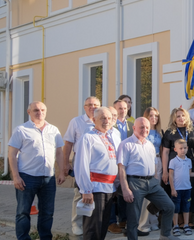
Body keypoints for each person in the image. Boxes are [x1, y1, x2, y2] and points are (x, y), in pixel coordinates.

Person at [8, 102, 65, 240]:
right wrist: (16, 177)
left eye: (42, 110)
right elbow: (12, 154)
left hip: (48, 178)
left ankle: (45, 237)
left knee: (47, 212)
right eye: (36, 110)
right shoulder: (21, 130)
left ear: (46, 111)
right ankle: (23, 238)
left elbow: (59, 153)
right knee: (23, 212)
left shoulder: (53, 129)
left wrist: (62, 172)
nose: (40, 112)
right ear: (29, 112)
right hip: (27, 177)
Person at [119, 118, 177, 240]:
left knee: (169, 206)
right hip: (134, 182)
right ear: (134, 128)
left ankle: (165, 235)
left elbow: (154, 164)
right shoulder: (126, 144)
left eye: (147, 127)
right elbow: (121, 168)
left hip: (151, 182)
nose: (144, 130)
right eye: (141, 127)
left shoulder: (149, 145)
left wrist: (156, 180)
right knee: (134, 216)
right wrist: (125, 189)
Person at [75, 107, 121, 240]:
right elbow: (81, 165)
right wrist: (86, 189)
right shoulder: (88, 138)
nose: (106, 121)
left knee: (103, 226)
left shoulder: (112, 137)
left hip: (109, 188)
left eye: (108, 118)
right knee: (93, 228)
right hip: (95, 188)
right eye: (102, 118)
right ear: (94, 120)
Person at [62, 96, 101, 236]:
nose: (93, 107)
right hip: (80, 162)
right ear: (84, 107)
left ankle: (90, 223)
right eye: (89, 105)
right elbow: (68, 144)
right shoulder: (76, 122)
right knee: (80, 193)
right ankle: (76, 223)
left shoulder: (101, 121)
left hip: (97, 164)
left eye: (96, 105)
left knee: (95, 194)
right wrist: (66, 164)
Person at [161, 107, 194, 226]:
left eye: (183, 115)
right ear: (174, 118)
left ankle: (188, 220)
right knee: (176, 193)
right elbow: (165, 152)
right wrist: (165, 171)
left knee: (190, 191)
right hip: (175, 167)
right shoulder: (169, 132)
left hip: (189, 165)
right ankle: (178, 222)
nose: (181, 118)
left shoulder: (192, 130)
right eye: (178, 116)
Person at [109, 100, 135, 234]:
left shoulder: (131, 124)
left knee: (123, 190)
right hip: (112, 161)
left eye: (125, 108)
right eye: (119, 108)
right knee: (111, 193)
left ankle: (123, 219)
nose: (122, 110)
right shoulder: (110, 125)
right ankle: (111, 222)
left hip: (126, 162)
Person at [137, 107, 163, 233]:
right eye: (151, 116)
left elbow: (163, 150)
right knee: (146, 195)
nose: (154, 118)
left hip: (158, 162)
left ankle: (153, 221)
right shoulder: (143, 131)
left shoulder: (159, 132)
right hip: (147, 163)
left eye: (156, 116)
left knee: (156, 194)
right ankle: (143, 224)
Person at [169, 139, 194, 236]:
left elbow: (189, 174)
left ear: (187, 148)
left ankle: (186, 225)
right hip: (177, 189)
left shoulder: (189, 160)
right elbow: (170, 175)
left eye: (185, 148)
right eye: (180, 148)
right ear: (175, 149)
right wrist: (173, 188)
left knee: (186, 207)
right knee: (176, 208)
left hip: (187, 188)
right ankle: (175, 225)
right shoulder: (173, 161)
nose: (183, 150)